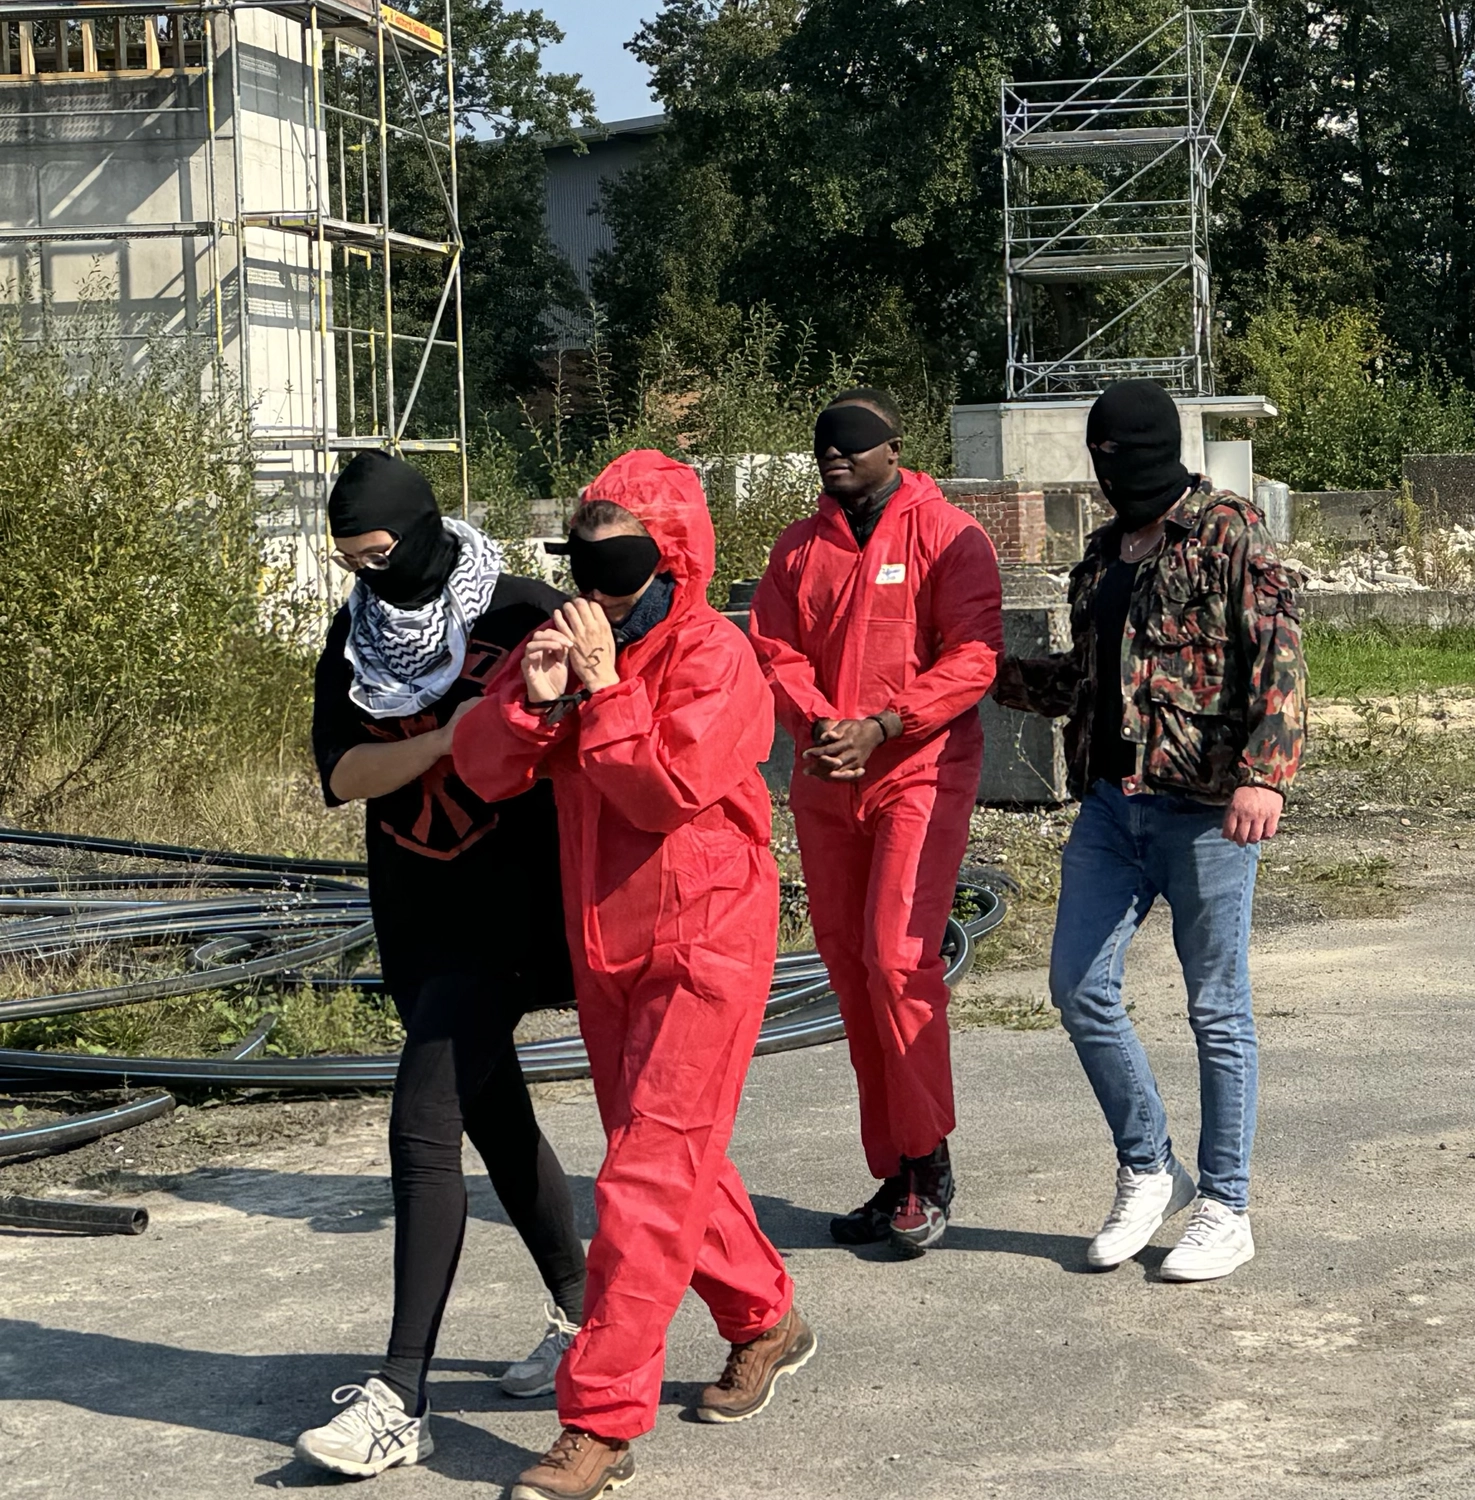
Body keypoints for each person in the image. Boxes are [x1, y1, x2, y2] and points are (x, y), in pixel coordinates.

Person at [452, 450, 813, 1500]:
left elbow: (660, 789)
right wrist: (532, 698)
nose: (600, 589)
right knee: (663, 1159)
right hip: (605, 944)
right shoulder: (565, 644)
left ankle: (598, 1420)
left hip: (707, 941)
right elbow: (481, 768)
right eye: (586, 562)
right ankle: (764, 1317)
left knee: (648, 1177)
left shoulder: (718, 657)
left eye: (623, 562)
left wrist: (603, 694)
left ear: (674, 557)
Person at [295, 451, 588, 1477]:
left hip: (512, 906)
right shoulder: (358, 635)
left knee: (423, 1125)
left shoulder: (519, 613)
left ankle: (398, 1394)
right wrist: (448, 739)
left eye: (382, 554)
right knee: (494, 1114)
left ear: (422, 530)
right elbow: (342, 771)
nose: (372, 578)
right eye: (351, 562)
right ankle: (582, 1315)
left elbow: (594, 735)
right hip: (414, 904)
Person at [993, 379, 1306, 1282]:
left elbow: (1277, 660)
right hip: (1107, 805)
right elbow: (1086, 685)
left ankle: (1226, 1203)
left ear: (1156, 450)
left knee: (1216, 1008)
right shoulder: (1098, 557)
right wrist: (992, 674)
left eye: (1118, 454)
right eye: (1096, 455)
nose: (1106, 470)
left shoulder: (1228, 531)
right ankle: (1147, 1168)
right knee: (1077, 987)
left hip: (1206, 809)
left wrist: (1263, 778)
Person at [748, 389, 1004, 1258]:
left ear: (894, 448)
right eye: (823, 447)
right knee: (852, 971)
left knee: (898, 961)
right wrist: (822, 722)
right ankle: (891, 1167)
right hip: (828, 779)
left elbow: (973, 655)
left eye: (851, 446)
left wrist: (885, 724)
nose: (834, 458)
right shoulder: (797, 548)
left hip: (917, 774)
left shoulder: (945, 535)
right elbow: (774, 651)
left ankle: (929, 1162)